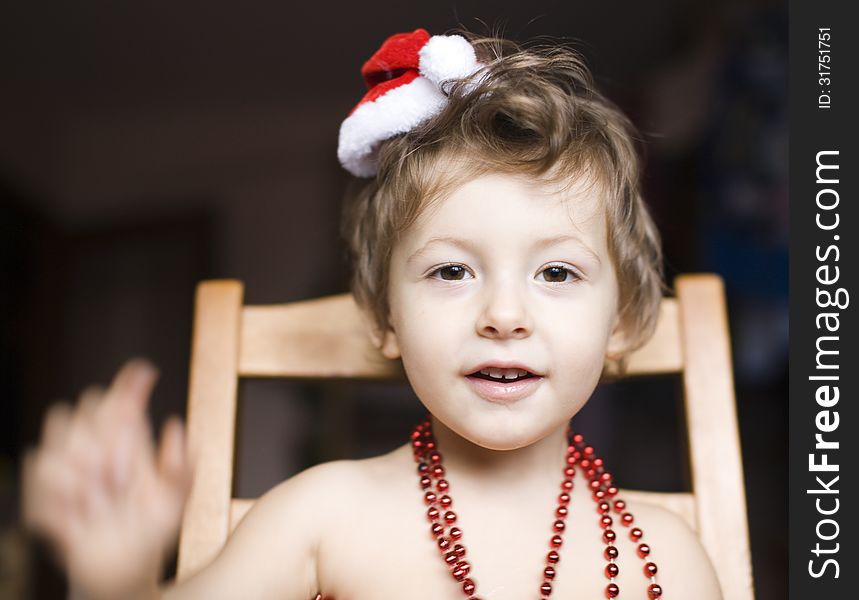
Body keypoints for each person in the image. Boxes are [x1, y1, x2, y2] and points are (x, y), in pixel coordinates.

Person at [21, 28, 723, 600]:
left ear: (625, 319)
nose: (503, 315)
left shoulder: (664, 554)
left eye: (557, 272)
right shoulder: (322, 515)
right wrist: (113, 579)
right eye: (451, 270)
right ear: (387, 317)